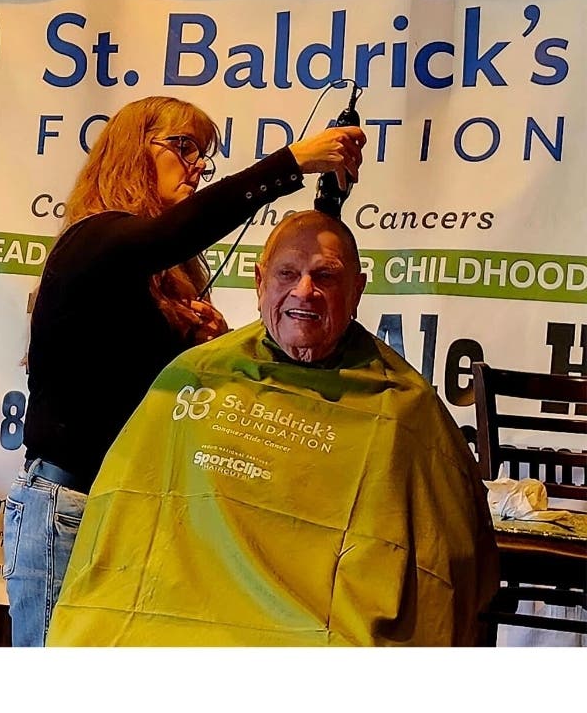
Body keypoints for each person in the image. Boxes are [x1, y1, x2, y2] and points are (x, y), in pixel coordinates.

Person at [6, 95, 366, 645]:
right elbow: (171, 234)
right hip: (68, 508)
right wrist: (293, 162)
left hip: (120, 505)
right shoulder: (94, 241)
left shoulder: (145, 279)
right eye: (183, 147)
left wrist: (197, 343)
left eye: (203, 155)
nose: (197, 165)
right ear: (130, 153)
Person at [46, 211, 499, 646]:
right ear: (259, 281)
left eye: (325, 276)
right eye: (287, 274)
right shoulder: (198, 375)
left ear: (357, 289)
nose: (305, 291)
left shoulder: (405, 405)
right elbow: (132, 517)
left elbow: (450, 561)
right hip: (180, 620)